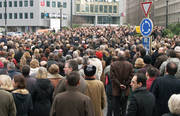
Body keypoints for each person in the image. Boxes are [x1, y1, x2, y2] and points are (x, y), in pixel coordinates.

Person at [110, 51, 133, 116]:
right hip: (126, 89)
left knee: (116, 108)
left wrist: (119, 84)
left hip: (116, 89)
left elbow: (112, 77)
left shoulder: (113, 64)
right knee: (124, 108)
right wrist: (125, 84)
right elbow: (131, 77)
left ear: (118, 56)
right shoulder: (129, 65)